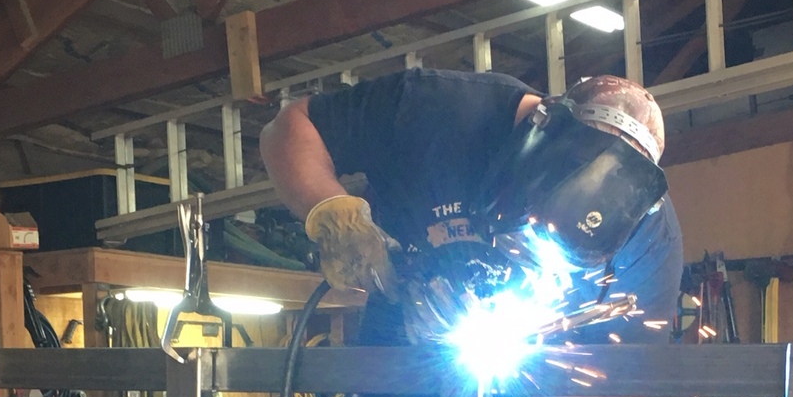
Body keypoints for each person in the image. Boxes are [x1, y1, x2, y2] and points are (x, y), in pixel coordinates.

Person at [259, 69, 684, 343]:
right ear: (537, 130)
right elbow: (291, 127)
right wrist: (333, 212)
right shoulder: (439, 111)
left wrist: (521, 343)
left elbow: (619, 393)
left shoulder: (647, 231)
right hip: (397, 354)